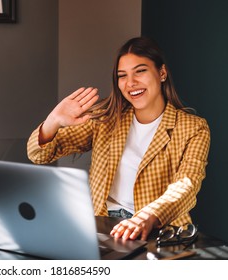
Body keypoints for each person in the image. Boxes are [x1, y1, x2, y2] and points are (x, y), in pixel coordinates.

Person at [27, 36, 210, 241]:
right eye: (122, 75)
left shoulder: (193, 127)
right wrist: (53, 121)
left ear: (162, 73)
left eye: (140, 71)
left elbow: (187, 184)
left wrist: (148, 216)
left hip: (159, 233)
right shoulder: (106, 120)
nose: (131, 83)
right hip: (105, 228)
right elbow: (39, 155)